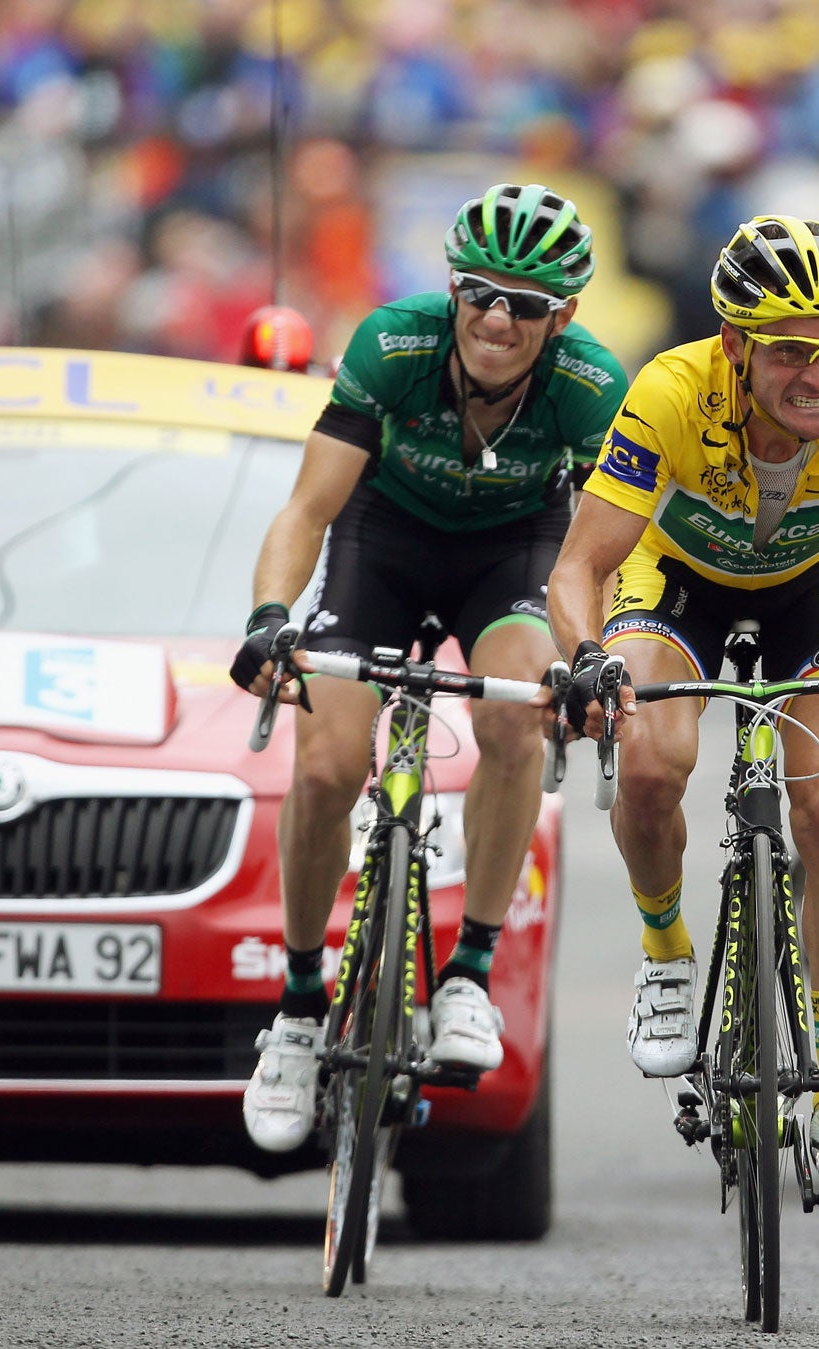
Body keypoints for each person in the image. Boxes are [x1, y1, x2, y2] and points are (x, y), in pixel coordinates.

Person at [547, 215, 819, 1187]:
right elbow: (580, 567)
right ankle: (665, 956)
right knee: (652, 764)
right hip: (680, 582)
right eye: (791, 350)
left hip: (811, 586)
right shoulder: (667, 390)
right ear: (736, 344)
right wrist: (583, 657)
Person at [231, 184, 631, 1153]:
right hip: (383, 542)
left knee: (509, 717)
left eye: (525, 305)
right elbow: (305, 510)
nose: (496, 319)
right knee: (326, 766)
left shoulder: (588, 385)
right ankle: (294, 1009)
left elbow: (604, 553)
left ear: (562, 316)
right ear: (451, 290)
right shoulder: (393, 345)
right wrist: (270, 619)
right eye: (478, 294)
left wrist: (587, 660)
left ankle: (468, 975)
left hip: (513, 555)